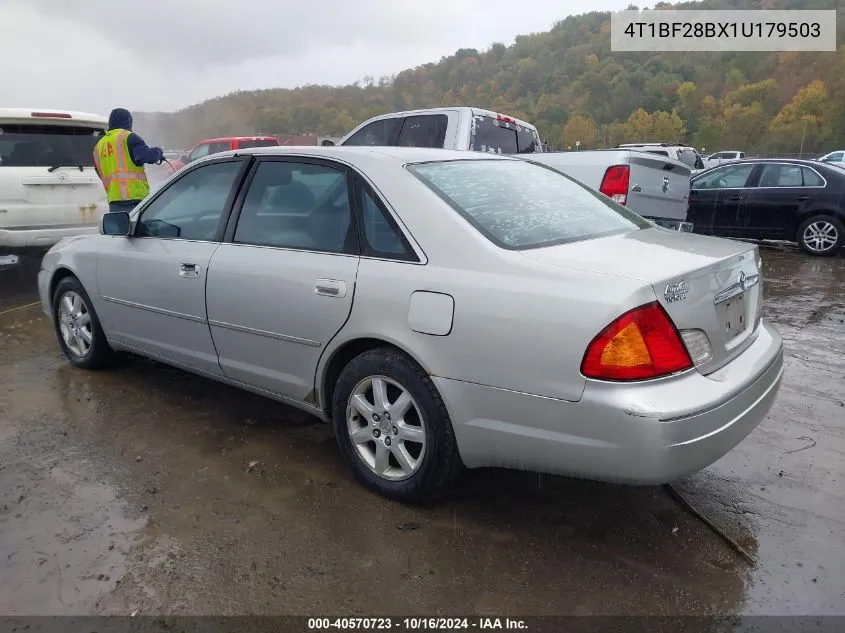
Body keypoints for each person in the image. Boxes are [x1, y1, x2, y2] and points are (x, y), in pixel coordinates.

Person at [93, 108, 164, 213]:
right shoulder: (129, 138)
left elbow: (99, 172)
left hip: (114, 202)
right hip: (135, 200)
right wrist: (158, 151)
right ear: (128, 122)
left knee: (120, 229)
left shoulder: (99, 146)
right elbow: (149, 156)